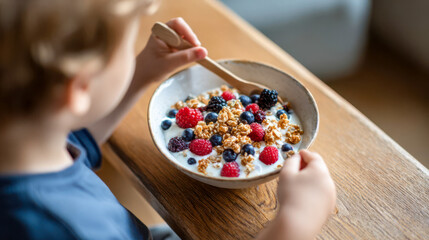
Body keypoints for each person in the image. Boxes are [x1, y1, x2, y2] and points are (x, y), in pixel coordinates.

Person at [0, 0, 336, 239]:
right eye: (125, 47)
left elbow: (78, 140)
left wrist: (143, 71)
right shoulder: (72, 228)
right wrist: (292, 226)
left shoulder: (24, 143)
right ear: (79, 87)